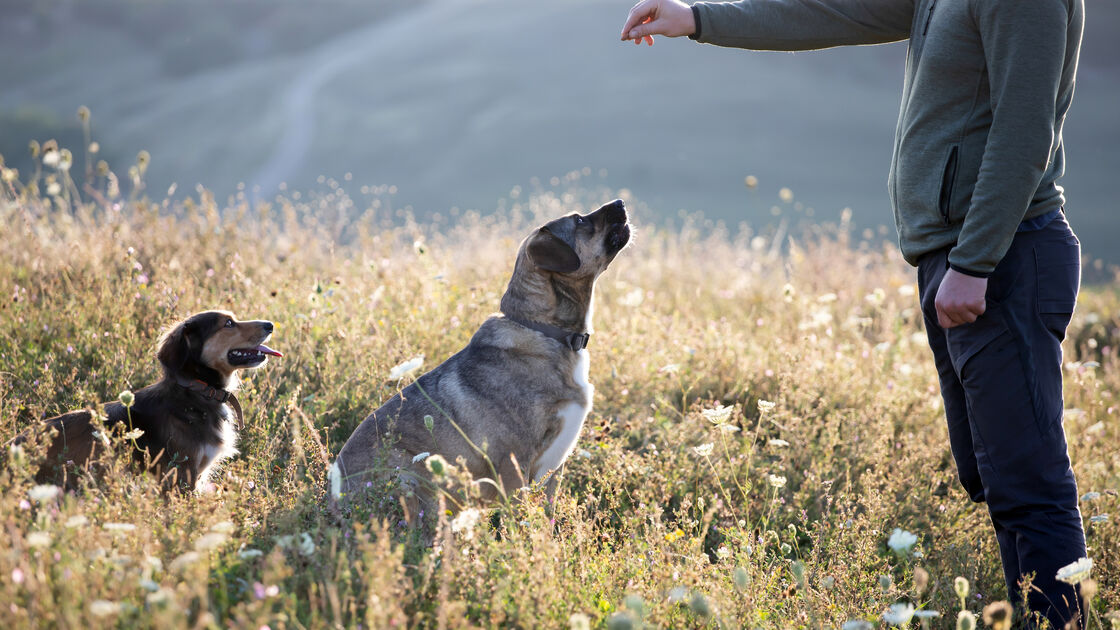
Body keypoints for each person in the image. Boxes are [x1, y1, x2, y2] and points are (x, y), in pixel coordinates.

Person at [620, 0, 1088, 626]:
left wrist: (974, 263)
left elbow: (1026, 128)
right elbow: (836, 10)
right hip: (962, 257)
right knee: (996, 478)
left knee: (1029, 486)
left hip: (1001, 258)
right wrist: (701, 18)